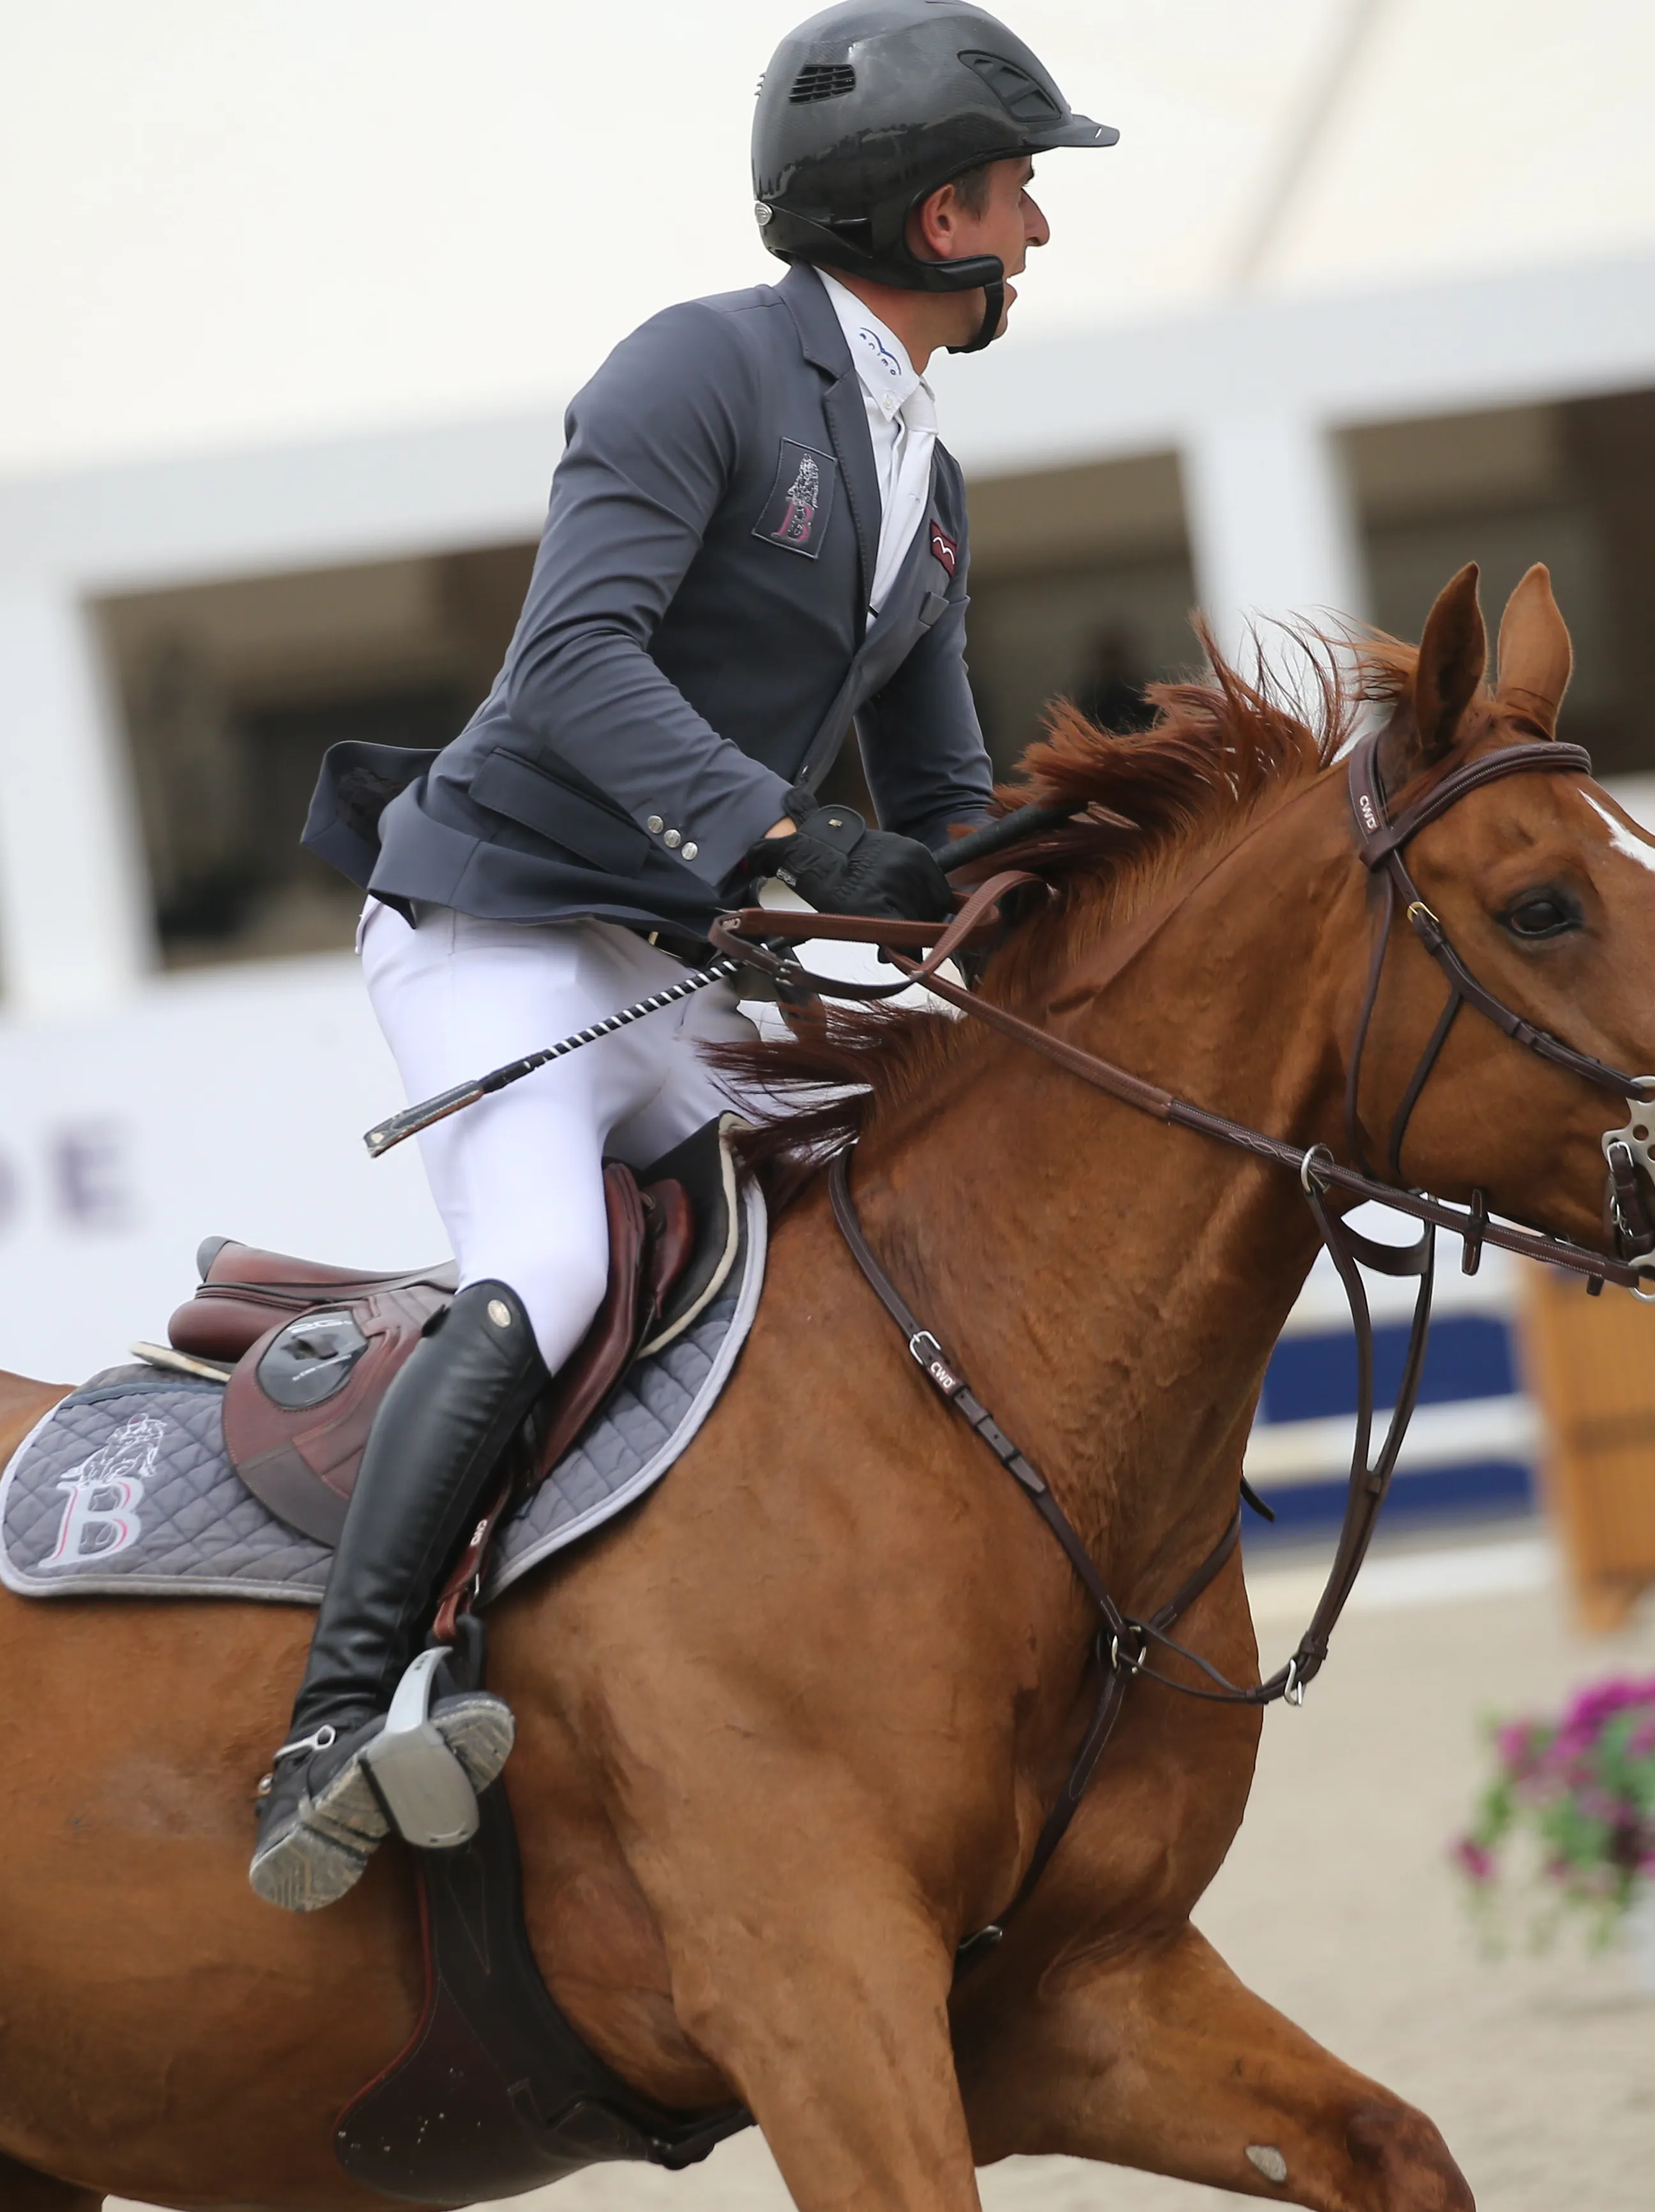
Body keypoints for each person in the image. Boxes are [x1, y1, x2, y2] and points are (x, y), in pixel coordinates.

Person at [252, 1, 1118, 1913]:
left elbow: (950, 798)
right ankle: (330, 1725)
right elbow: (570, 664)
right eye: (1017, 193)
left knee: (868, 1219)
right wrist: (794, 841)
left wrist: (1078, 899)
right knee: (554, 1258)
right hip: (490, 923)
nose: (1040, 231)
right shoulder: (698, 372)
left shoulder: (927, 487)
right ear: (923, 211)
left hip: (663, 965)